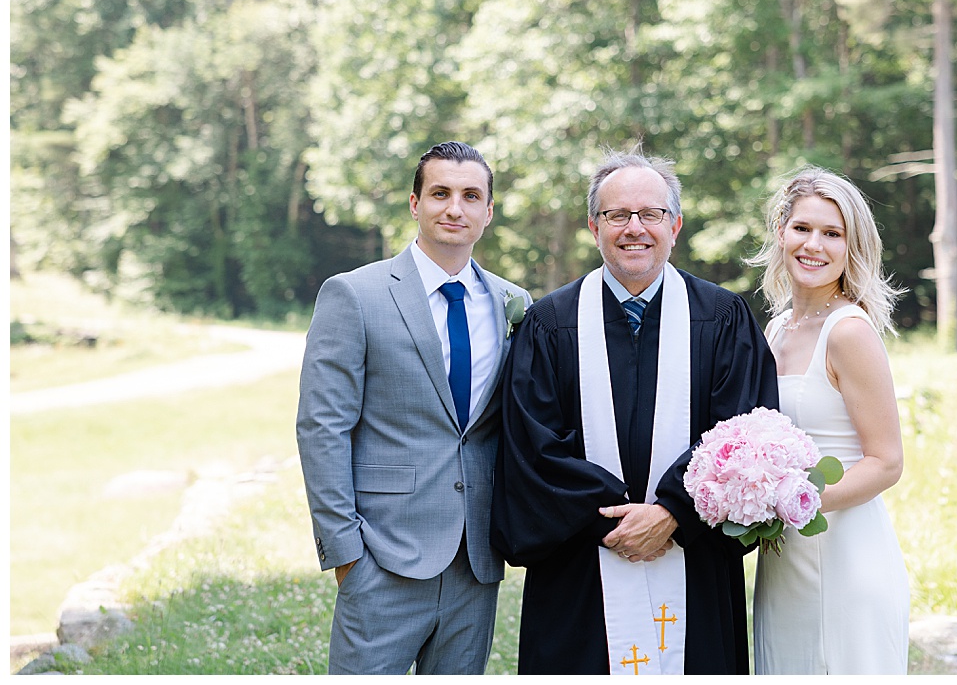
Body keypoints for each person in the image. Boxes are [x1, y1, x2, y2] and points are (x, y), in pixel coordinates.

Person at [491, 147, 779, 675]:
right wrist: (617, 520)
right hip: (581, 562)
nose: (634, 229)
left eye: (650, 214)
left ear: (676, 225)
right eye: (617, 215)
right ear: (592, 225)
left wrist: (672, 513)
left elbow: (743, 431)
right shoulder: (551, 323)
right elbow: (531, 445)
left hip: (693, 556)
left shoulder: (722, 317)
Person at [296, 141, 531, 675]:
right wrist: (346, 553)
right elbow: (321, 426)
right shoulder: (355, 295)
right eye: (440, 193)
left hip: (475, 558)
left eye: (471, 196)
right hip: (382, 555)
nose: (455, 208)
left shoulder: (512, 303)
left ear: (488, 212)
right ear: (414, 203)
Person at [747, 164, 910, 674]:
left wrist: (796, 503)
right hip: (783, 563)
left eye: (831, 233)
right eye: (802, 228)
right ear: (781, 233)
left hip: (845, 556)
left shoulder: (849, 332)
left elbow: (886, 462)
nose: (813, 245)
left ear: (850, 247)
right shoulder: (775, 330)